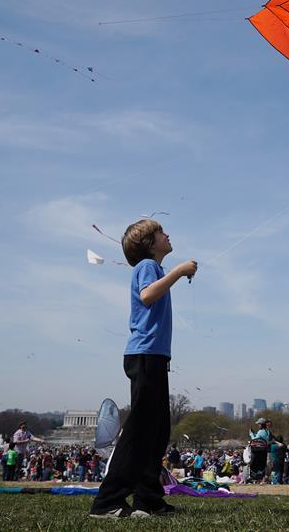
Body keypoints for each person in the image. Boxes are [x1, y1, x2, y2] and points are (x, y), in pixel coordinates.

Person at [89, 219, 197, 519]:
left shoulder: (154, 268)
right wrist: (179, 271)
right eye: (162, 233)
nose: (168, 234)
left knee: (158, 431)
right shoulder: (147, 267)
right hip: (144, 355)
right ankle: (107, 501)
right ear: (150, 244)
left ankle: (149, 499)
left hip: (155, 356)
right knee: (139, 430)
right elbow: (147, 296)